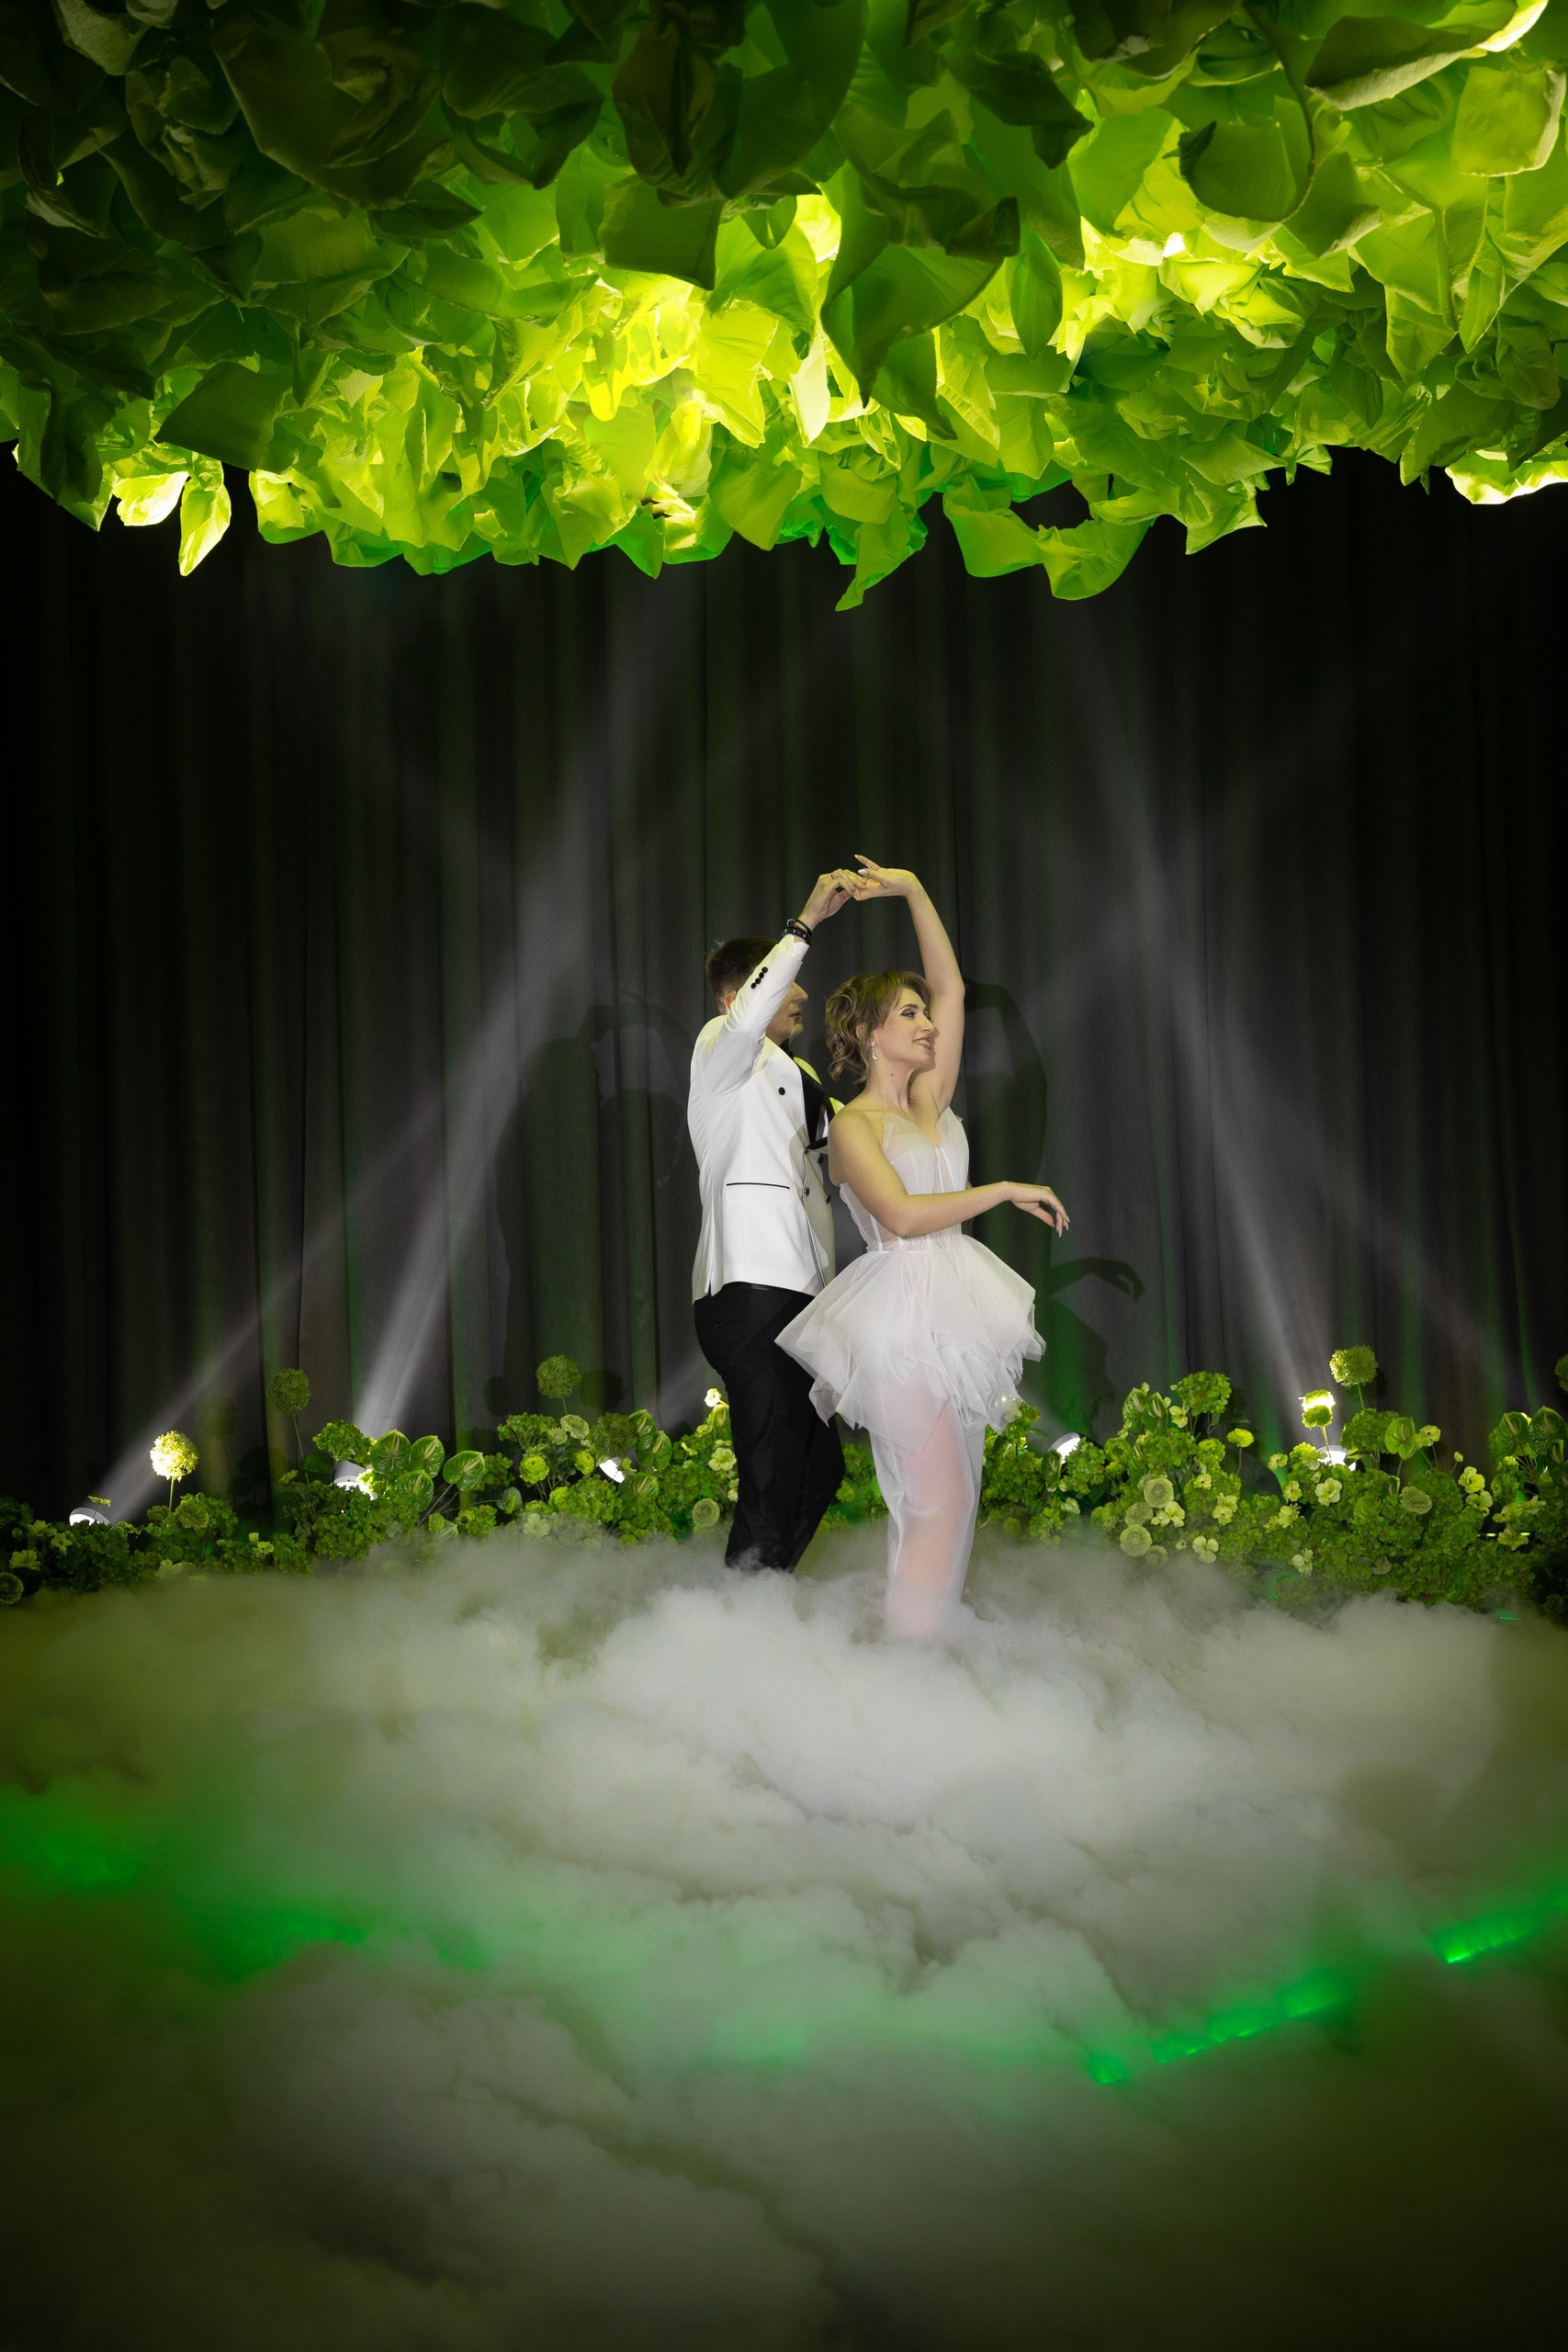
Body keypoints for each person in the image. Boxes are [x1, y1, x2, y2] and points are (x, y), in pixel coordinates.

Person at [777, 858, 1069, 1638]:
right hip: (899, 1315)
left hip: (953, 1304)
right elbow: (903, 1218)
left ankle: (923, 1647)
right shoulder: (854, 1125)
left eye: (922, 1015)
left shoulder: (929, 1102)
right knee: (932, 1498)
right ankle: (911, 1662)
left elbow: (952, 989)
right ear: (869, 1034)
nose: (927, 1024)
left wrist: (911, 891)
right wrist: (1000, 1190)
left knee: (955, 1496)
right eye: (907, 1015)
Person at [689, 868, 863, 1572]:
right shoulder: (721, 1050)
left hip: (799, 1298)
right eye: (789, 983)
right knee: (771, 1466)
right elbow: (751, 1011)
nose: (802, 996)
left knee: (816, 1467)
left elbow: (860, 1142)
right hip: (749, 1290)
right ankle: (744, 1614)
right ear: (739, 996)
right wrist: (805, 923)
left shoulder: (798, 1079)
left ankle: (764, 1599)